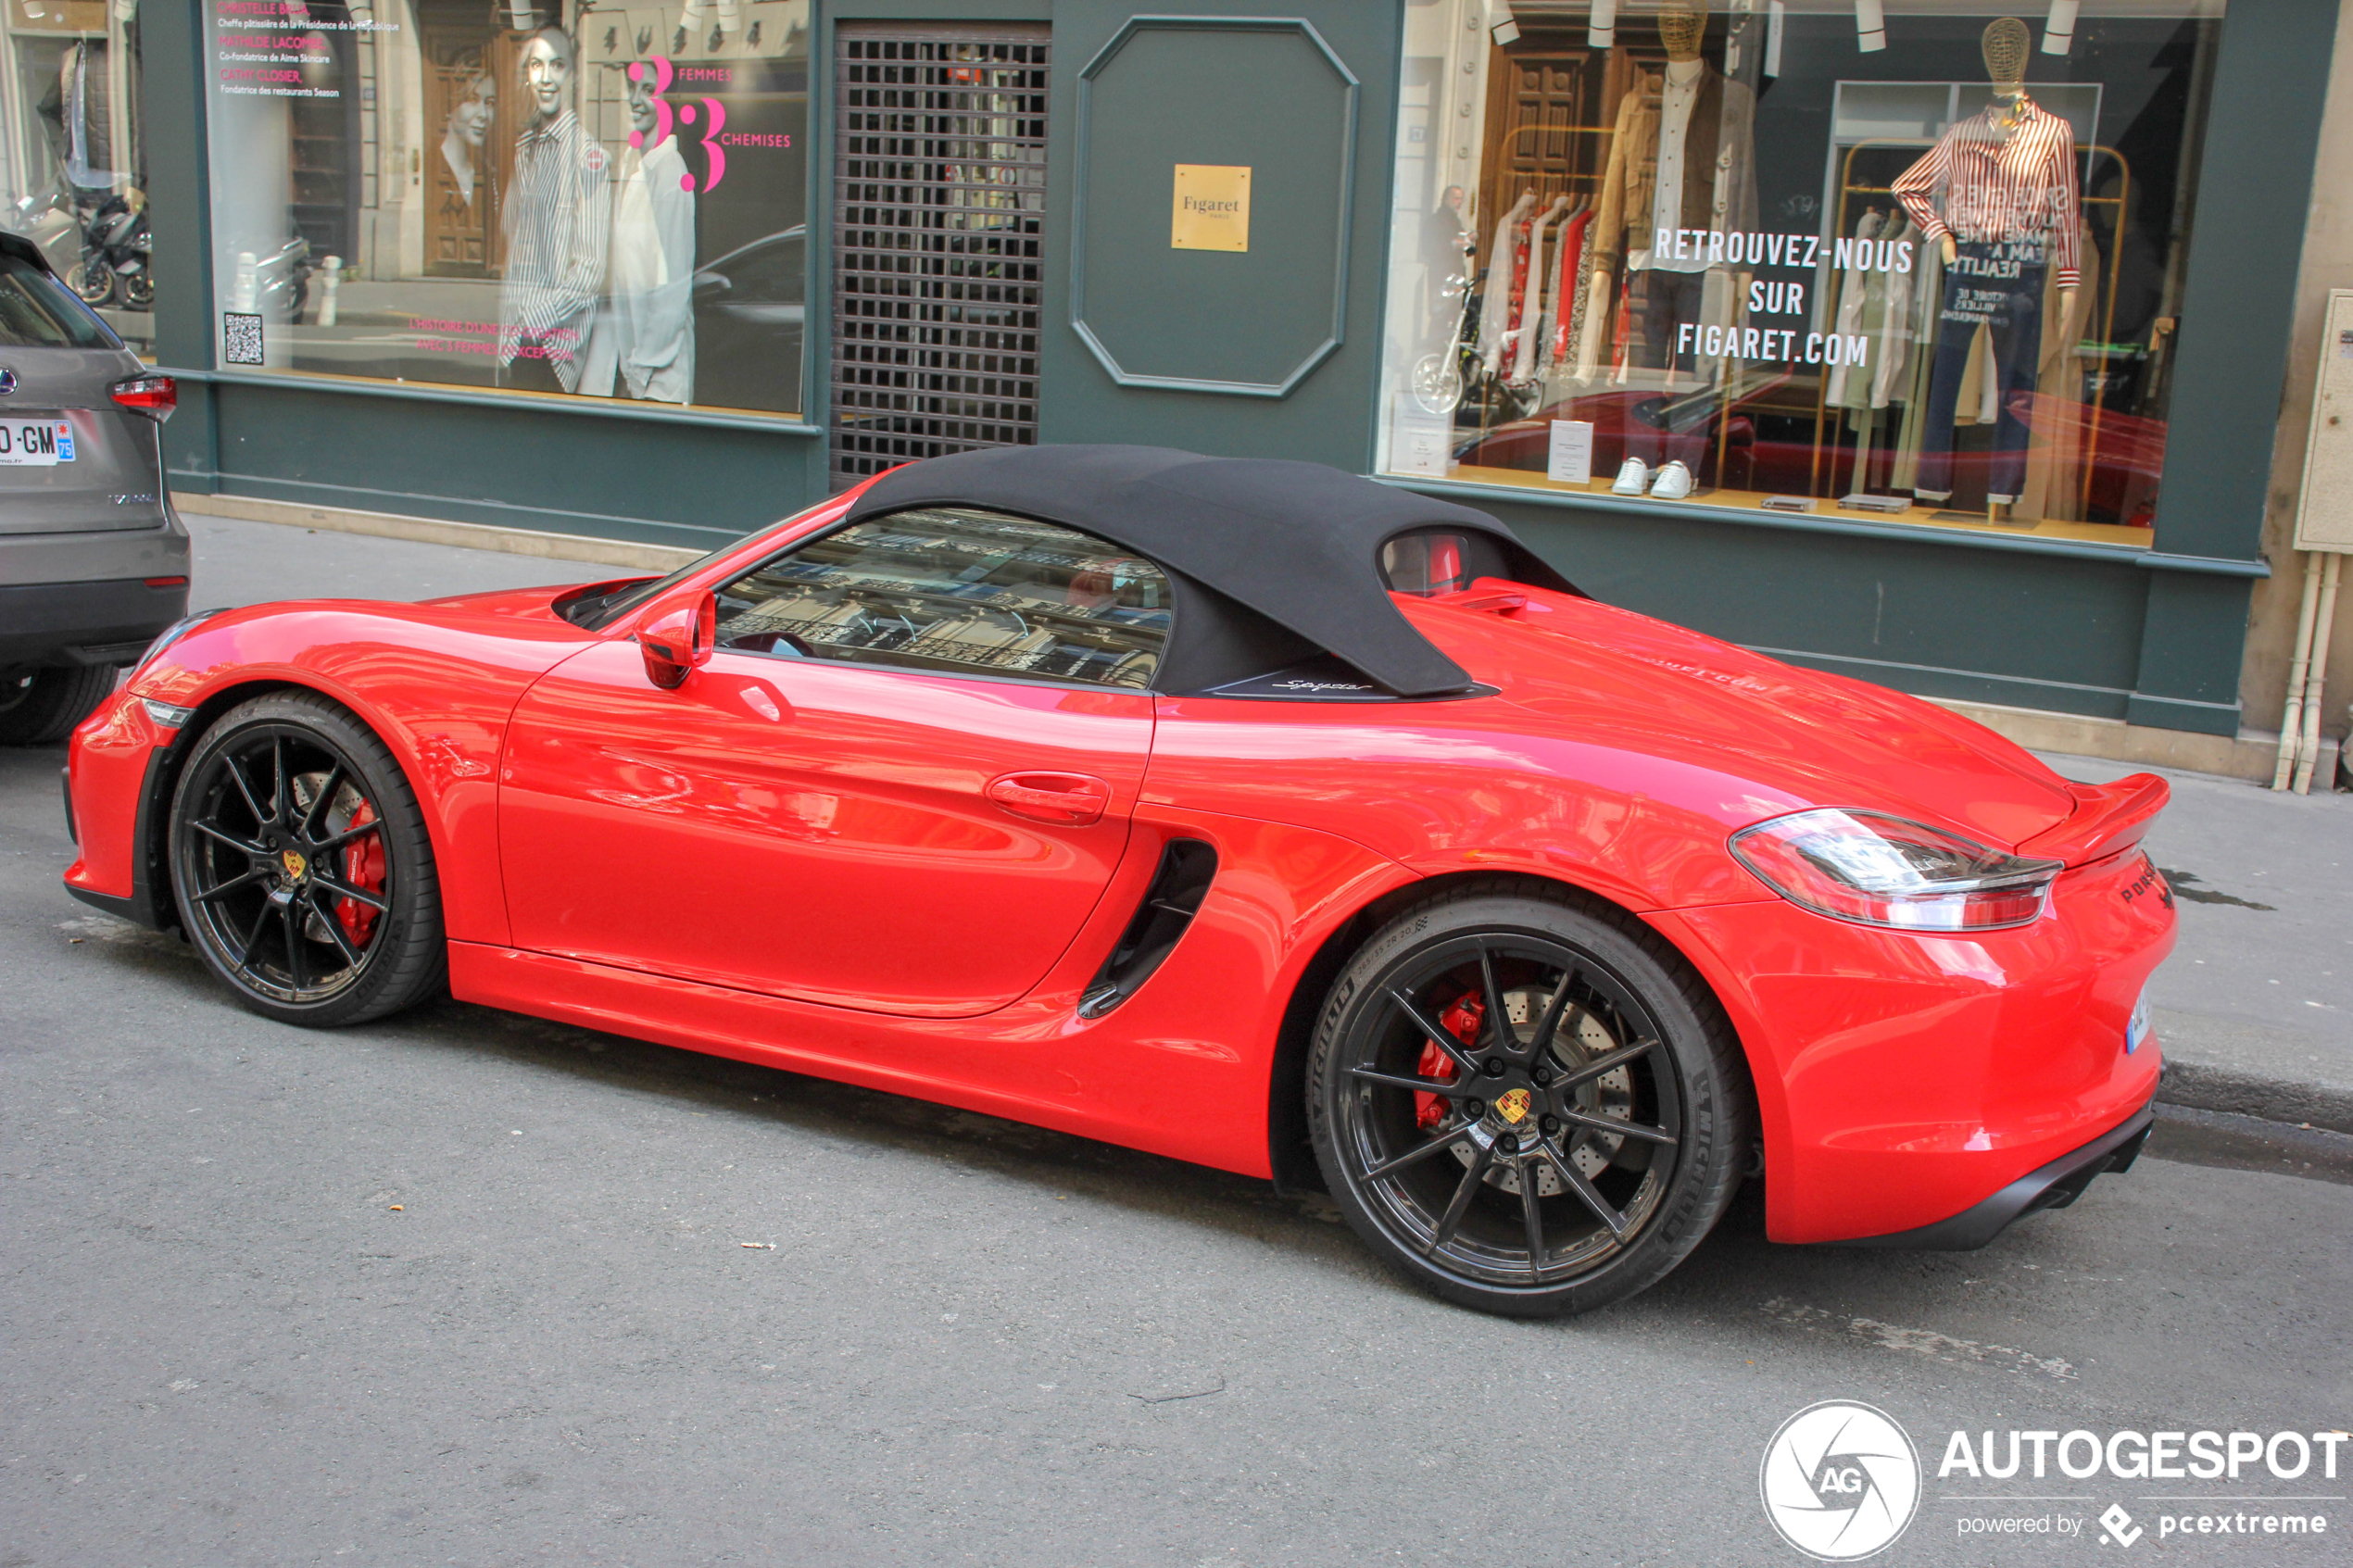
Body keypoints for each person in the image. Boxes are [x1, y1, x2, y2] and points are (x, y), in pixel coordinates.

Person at [497, 26, 609, 393]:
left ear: (573, 76)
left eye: (557, 65)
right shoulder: (526, 147)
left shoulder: (586, 155)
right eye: (536, 65)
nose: (545, 78)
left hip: (548, 349)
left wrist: (534, 322)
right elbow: (512, 236)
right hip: (512, 341)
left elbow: (591, 268)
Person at [579, 64, 696, 404]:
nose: (635, 99)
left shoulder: (669, 169)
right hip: (626, 371)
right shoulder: (632, 167)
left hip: (656, 378)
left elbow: (673, 286)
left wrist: (642, 368)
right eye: (632, 88)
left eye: (649, 89)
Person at [438, 52, 495, 206]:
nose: (483, 114)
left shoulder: (488, 169)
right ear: (451, 104)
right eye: (473, 100)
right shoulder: (436, 166)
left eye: (489, 103)